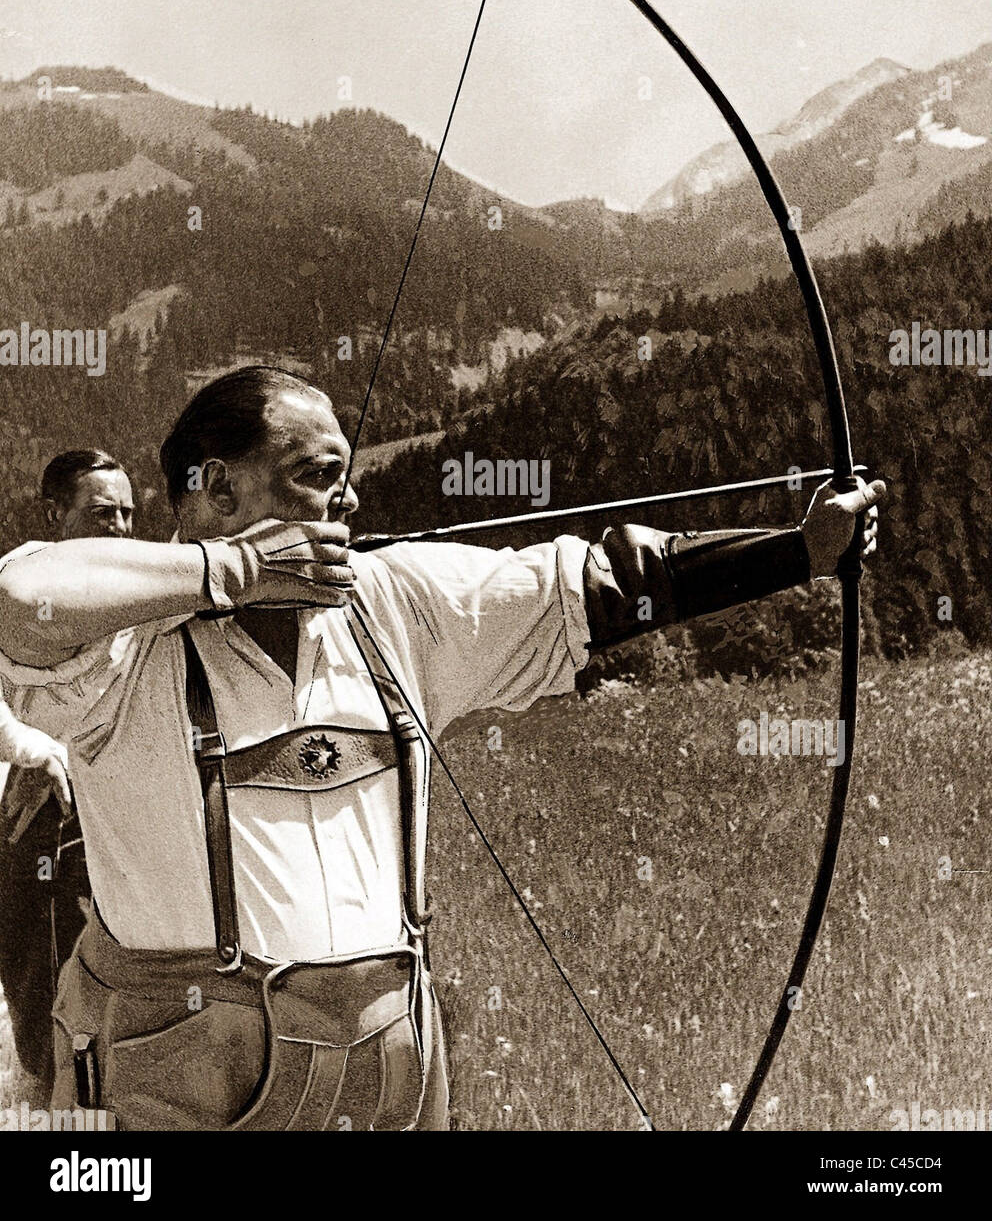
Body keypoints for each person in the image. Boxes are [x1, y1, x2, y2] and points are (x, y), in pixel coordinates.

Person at [0, 367, 882, 1130]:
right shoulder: (123, 647)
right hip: (188, 1076)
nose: (348, 502)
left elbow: (595, 588)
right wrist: (235, 572)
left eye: (347, 480)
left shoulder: (395, 603)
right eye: (319, 477)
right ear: (220, 490)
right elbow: (18, 593)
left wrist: (798, 552)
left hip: (383, 1069)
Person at [0, 449, 134, 1094]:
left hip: (122, 803)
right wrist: (29, 746)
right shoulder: (23, 579)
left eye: (128, 514)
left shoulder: (139, 583)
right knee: (43, 966)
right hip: (47, 810)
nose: (120, 528)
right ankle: (50, 1108)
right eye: (102, 513)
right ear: (56, 514)